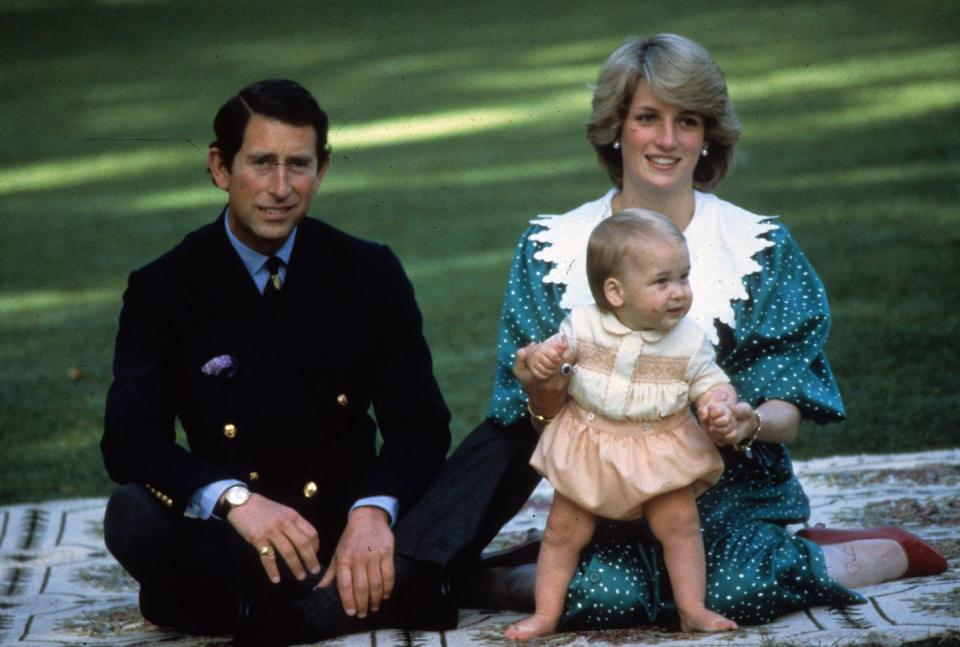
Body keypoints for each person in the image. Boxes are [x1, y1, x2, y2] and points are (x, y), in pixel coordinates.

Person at [483, 34, 947, 631]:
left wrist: (751, 419)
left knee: (728, 591)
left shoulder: (759, 249)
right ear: (615, 128)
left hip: (731, 494)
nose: (668, 140)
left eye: (689, 121)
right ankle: (522, 569)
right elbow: (525, 415)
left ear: (709, 137)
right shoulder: (550, 250)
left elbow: (790, 404)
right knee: (605, 600)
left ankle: (849, 550)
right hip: (604, 498)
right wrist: (543, 388)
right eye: (647, 117)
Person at [101, 79, 542, 647]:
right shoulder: (165, 286)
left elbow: (420, 429)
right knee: (131, 514)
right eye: (261, 163)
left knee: (515, 436)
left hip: (363, 533)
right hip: (244, 541)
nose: (280, 188)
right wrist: (235, 499)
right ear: (219, 167)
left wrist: (373, 514)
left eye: (299, 165)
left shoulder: (368, 271)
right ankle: (420, 583)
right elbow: (130, 440)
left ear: (323, 168)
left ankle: (319, 607)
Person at [505, 210, 739, 640]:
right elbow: (556, 355)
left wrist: (719, 404)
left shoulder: (689, 340)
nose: (678, 293)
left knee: (680, 524)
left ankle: (693, 609)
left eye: (683, 277)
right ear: (614, 291)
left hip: (659, 447)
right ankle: (546, 614)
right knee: (562, 531)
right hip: (591, 444)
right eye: (662, 281)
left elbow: (712, 382)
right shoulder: (583, 325)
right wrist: (544, 360)